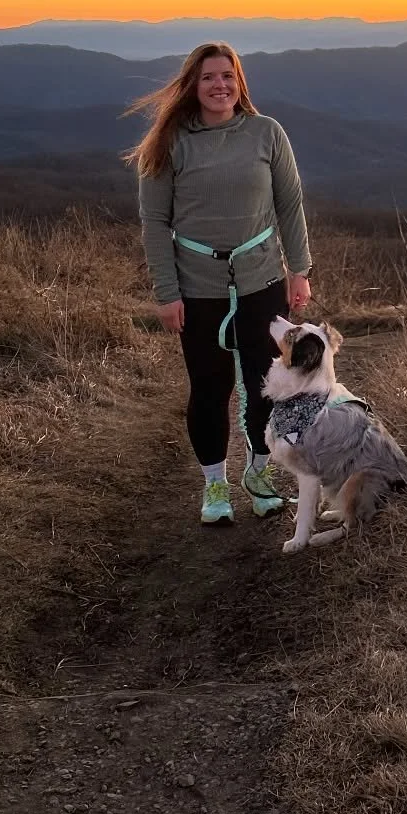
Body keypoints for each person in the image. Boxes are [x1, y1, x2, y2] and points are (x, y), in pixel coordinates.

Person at [128, 42, 313, 525]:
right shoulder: (169, 142)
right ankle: (214, 485)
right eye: (209, 77)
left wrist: (299, 270)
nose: (220, 85)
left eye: (228, 76)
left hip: (262, 280)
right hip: (197, 286)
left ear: (240, 82)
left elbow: (290, 204)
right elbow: (153, 222)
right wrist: (167, 292)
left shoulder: (266, 133)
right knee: (208, 387)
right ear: (193, 84)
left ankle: (259, 474)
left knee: (264, 385)